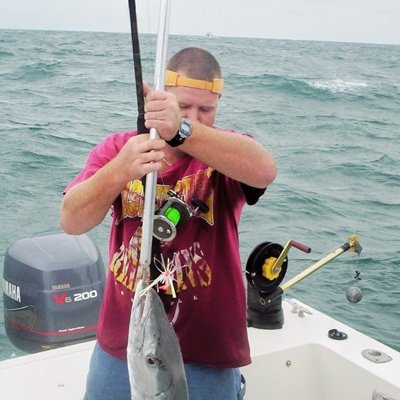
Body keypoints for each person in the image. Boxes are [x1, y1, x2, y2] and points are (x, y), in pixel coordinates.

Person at [61, 47, 277, 400]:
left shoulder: (225, 151)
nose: (194, 116)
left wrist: (182, 130)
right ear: (162, 99)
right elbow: (71, 220)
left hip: (207, 353)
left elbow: (264, 170)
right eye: (183, 106)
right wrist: (119, 170)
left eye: (205, 110)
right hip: (123, 343)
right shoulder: (120, 149)